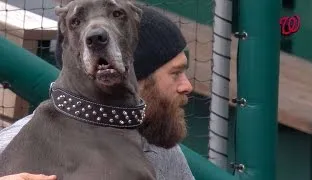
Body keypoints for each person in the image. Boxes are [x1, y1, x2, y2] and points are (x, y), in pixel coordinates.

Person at [0, 5, 194, 180]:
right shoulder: (17, 153)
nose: (187, 86)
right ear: (136, 77)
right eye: (175, 73)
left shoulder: (164, 151)